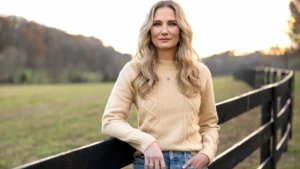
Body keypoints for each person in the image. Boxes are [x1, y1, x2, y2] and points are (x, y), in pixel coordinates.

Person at [101, 0, 219, 169]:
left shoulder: (199, 72)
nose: (164, 31)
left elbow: (209, 124)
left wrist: (206, 153)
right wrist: (146, 142)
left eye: (172, 24)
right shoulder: (133, 70)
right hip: (150, 163)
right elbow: (110, 120)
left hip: (191, 164)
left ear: (181, 29)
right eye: (157, 24)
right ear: (149, 29)